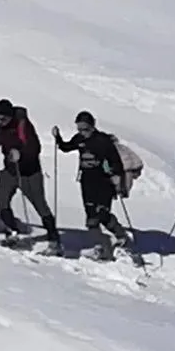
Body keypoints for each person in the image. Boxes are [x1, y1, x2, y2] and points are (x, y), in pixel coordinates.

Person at [0, 98, 60, 252]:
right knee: (2, 199)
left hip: (29, 172)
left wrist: (20, 153)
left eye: (3, 118)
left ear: (10, 116)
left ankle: (54, 239)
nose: (0, 121)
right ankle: (12, 232)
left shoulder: (23, 124)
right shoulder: (0, 125)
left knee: (40, 204)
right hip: (10, 170)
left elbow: (34, 148)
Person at [53, 111, 131, 260]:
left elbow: (116, 162)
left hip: (103, 182)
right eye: (79, 129)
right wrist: (57, 137)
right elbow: (66, 147)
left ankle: (121, 236)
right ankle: (100, 246)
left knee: (102, 213)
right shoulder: (79, 139)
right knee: (91, 217)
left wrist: (116, 177)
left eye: (85, 129)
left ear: (92, 127)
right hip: (86, 181)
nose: (82, 132)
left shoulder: (102, 141)